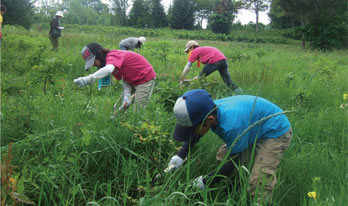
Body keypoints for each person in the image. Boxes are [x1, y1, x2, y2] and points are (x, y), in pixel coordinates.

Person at [166, 89, 292, 204]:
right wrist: (181, 155)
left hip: (275, 131)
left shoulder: (232, 126)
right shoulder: (208, 109)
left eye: (192, 130)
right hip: (252, 126)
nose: (191, 133)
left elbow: (234, 160)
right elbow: (197, 133)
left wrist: (206, 181)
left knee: (259, 180)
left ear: (210, 120)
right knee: (223, 156)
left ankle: (261, 202)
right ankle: (233, 187)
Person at [73, 43, 156, 111]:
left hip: (145, 79)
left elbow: (108, 69)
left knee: (137, 111)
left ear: (100, 54)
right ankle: (118, 124)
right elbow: (125, 79)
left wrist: (87, 80)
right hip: (132, 81)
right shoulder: (111, 63)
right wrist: (126, 98)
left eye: (93, 62)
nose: (93, 65)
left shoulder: (112, 56)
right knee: (118, 108)